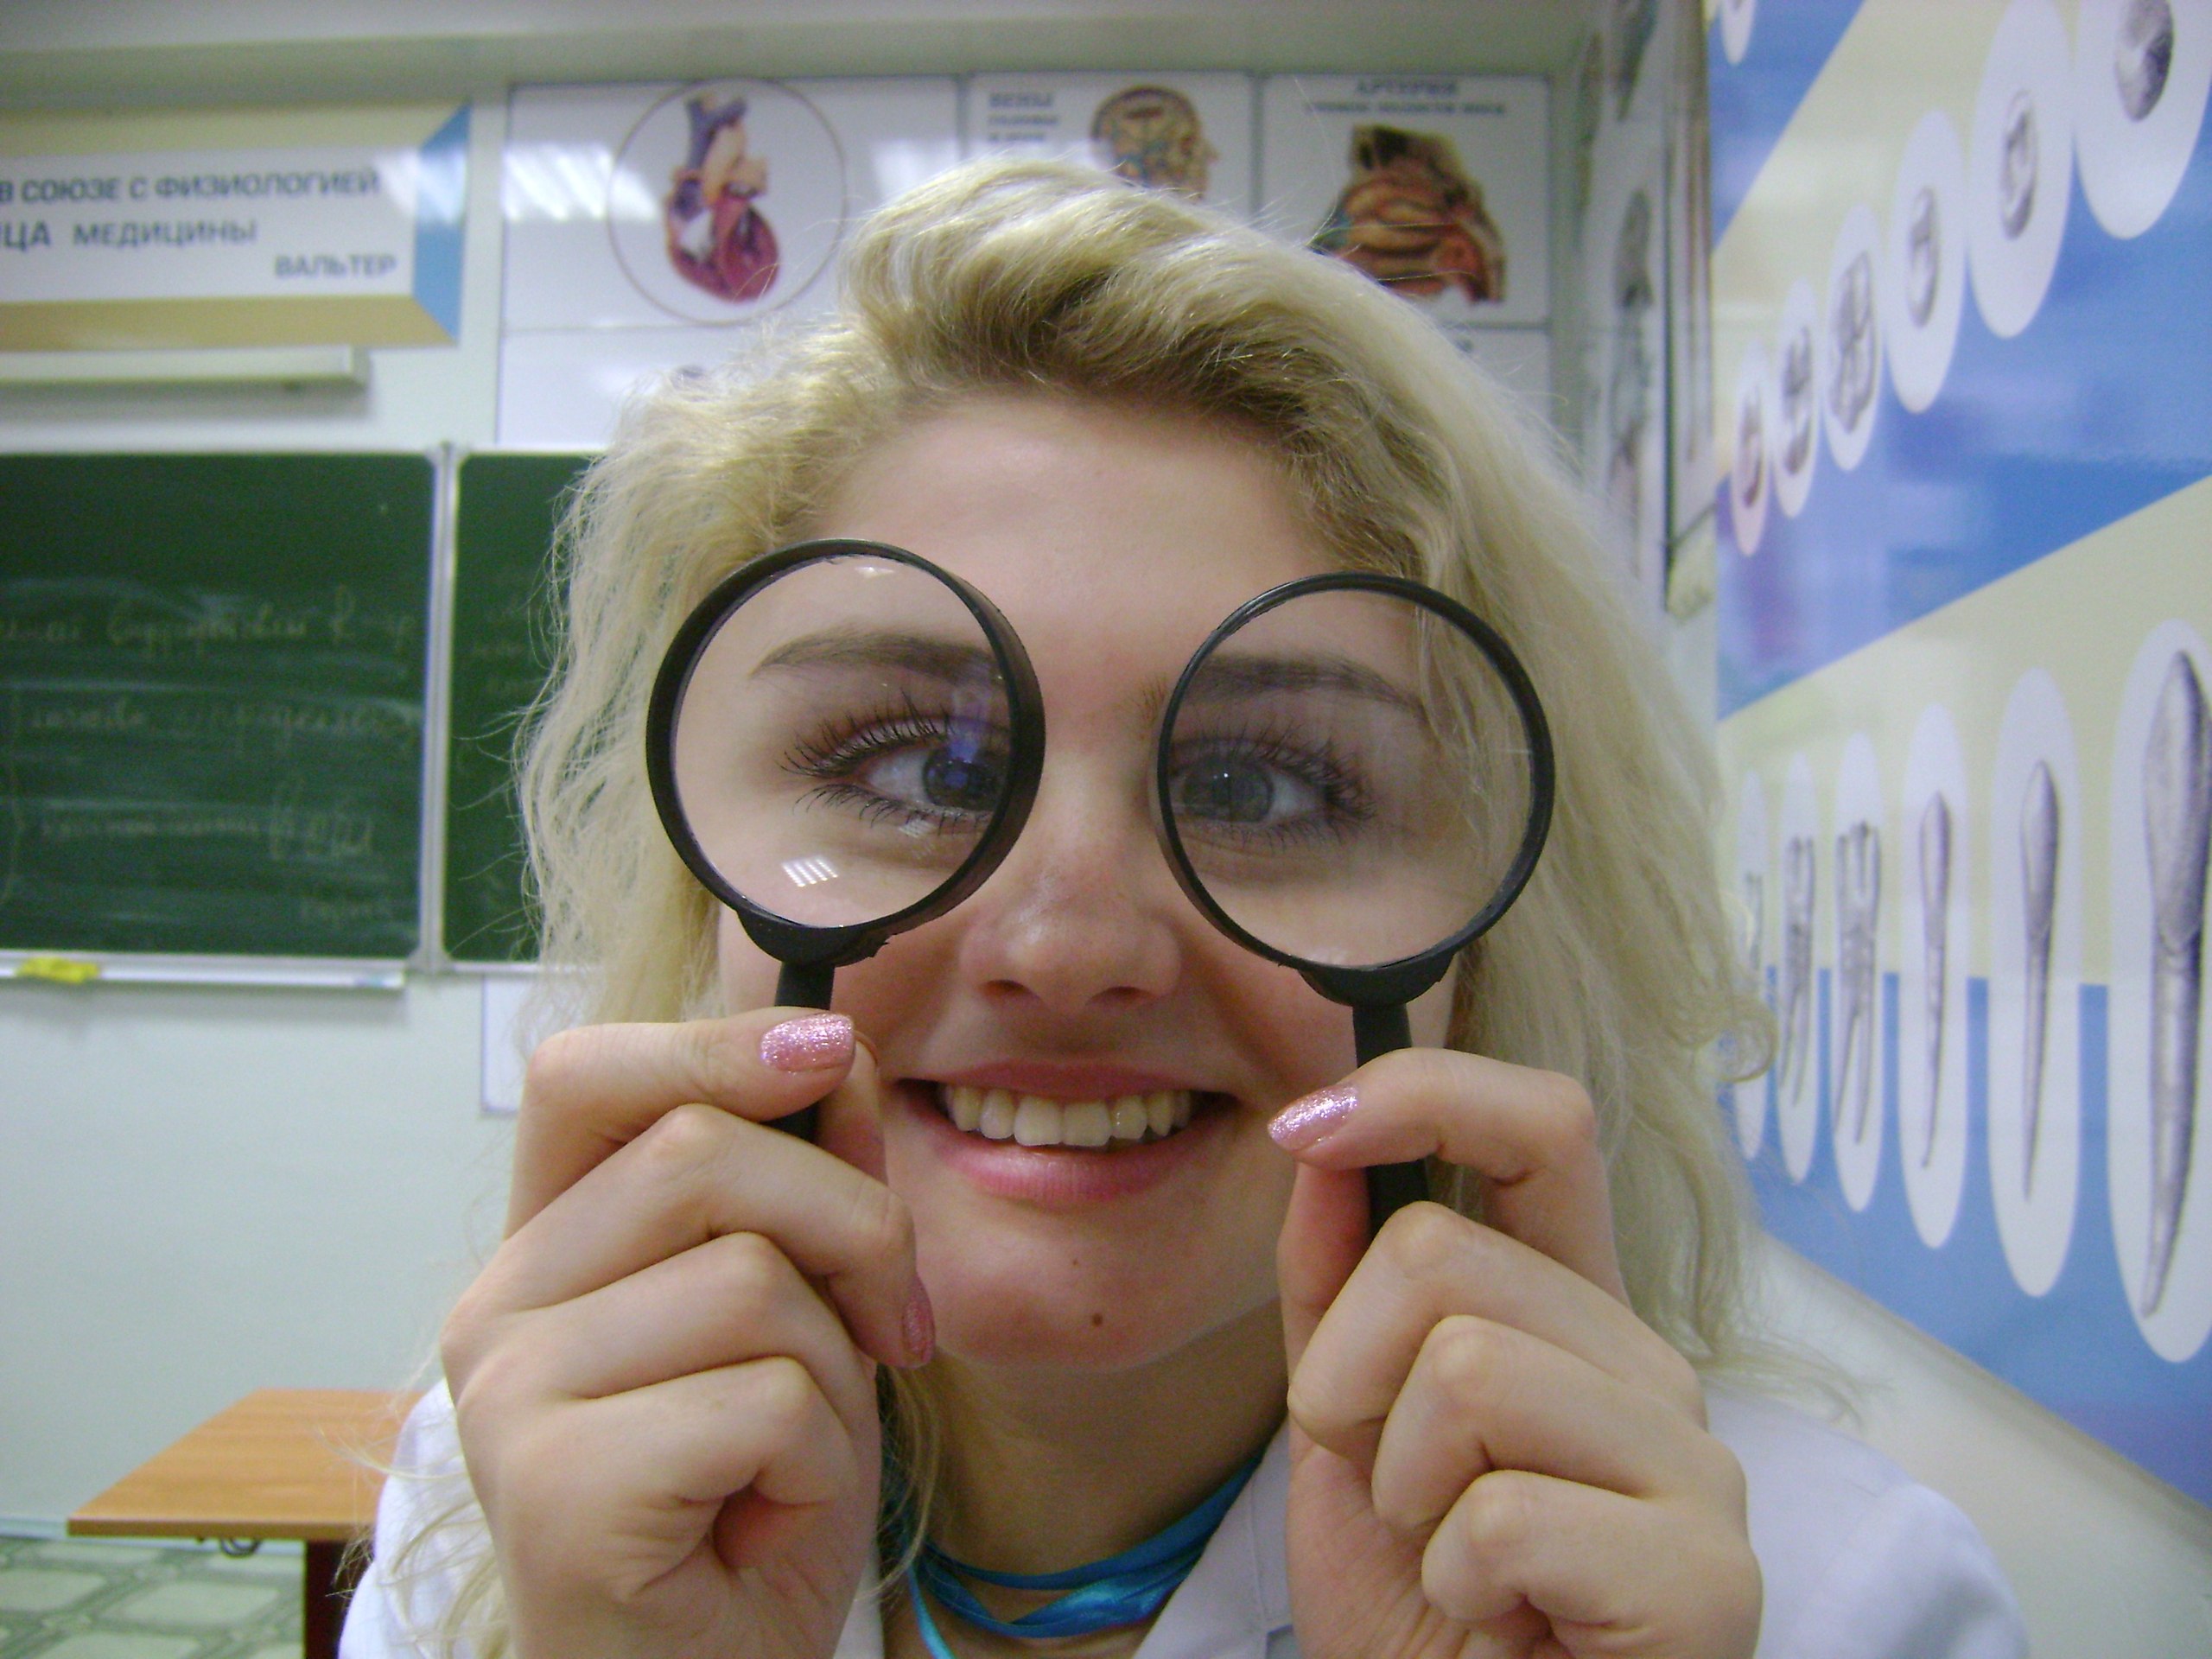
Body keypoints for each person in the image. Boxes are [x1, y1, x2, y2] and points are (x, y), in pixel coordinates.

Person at [343, 158, 2025, 1659]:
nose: (1068, 950)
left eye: (1262, 786)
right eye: (919, 770)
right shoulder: (518, 1515)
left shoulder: (1813, 1606)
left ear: (1494, 921)